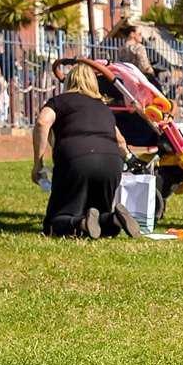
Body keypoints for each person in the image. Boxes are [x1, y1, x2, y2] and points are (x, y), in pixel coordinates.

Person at [31, 63, 140, 238]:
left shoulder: (59, 101)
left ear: (68, 82)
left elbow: (42, 122)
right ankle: (113, 219)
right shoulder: (103, 108)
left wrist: (38, 163)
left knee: (55, 222)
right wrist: (129, 159)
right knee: (98, 216)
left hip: (76, 159)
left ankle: (78, 222)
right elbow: (120, 141)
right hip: (111, 163)